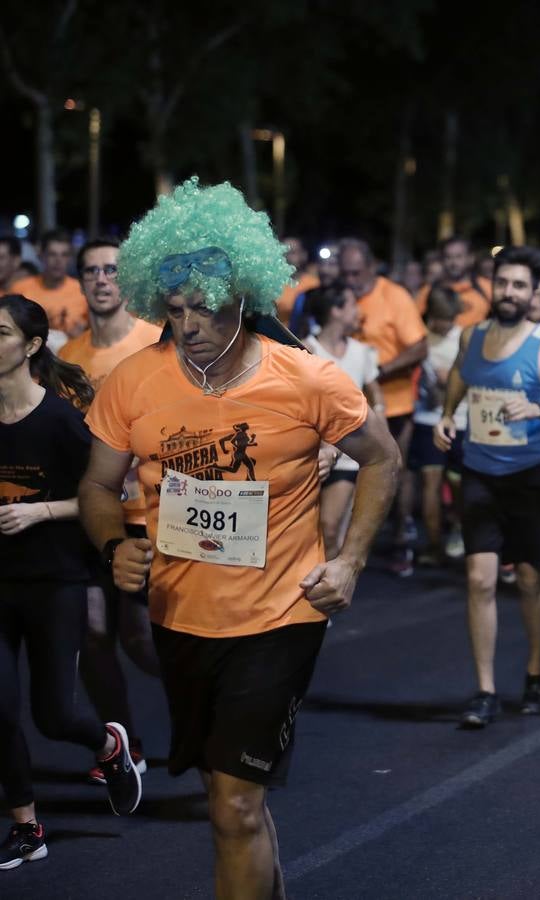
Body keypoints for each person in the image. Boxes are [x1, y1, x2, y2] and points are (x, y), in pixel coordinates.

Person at [77, 179, 400, 897]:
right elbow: (98, 487)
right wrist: (113, 547)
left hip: (280, 615)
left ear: (244, 298)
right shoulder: (133, 383)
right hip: (180, 615)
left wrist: (348, 561)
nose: (189, 324)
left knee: (233, 805)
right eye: (177, 308)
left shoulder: (310, 379)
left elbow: (383, 457)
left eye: (206, 307)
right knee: (232, 807)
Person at [0, 295, 144, 871]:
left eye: (1, 332)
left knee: (53, 714)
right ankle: (26, 826)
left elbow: (108, 494)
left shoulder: (59, 419)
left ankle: (109, 745)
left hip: (54, 579)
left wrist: (39, 512)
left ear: (31, 347)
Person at [432, 247, 540, 727]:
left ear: (533, 292)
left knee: (532, 579)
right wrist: (447, 416)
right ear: (492, 286)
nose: (511, 293)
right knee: (479, 580)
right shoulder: (471, 335)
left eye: (521, 285)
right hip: (479, 471)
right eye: (504, 284)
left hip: (532, 473)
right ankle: (484, 690)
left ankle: (535, 672)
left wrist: (539, 409)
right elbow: (459, 375)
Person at [57, 239, 162, 784]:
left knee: (140, 635)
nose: (101, 279)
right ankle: (126, 746)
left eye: (111, 270)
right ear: (80, 282)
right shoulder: (67, 358)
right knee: (93, 632)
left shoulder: (156, 343)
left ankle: (204, 701)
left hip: (151, 513)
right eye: (91, 270)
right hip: (92, 514)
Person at [340, 238, 428, 572]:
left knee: (395, 467)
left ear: (371, 266)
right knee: (352, 473)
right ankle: (351, 545)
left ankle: (403, 534)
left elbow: (419, 347)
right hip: (350, 404)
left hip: (394, 401)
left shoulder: (394, 296)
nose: (351, 279)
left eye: (357, 272)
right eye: (346, 273)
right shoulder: (342, 298)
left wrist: (380, 370)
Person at [302, 285, 386, 558]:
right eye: (352, 304)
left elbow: (373, 388)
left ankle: (331, 584)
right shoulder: (305, 349)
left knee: (330, 524)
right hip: (312, 453)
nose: (358, 311)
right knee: (309, 530)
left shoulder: (361, 352)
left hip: (349, 453)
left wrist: (380, 415)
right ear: (336, 311)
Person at [409, 285, 463, 566]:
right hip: (427, 420)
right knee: (430, 483)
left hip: (459, 421)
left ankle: (457, 528)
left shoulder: (464, 338)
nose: (447, 323)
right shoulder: (420, 338)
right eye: (443, 317)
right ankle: (433, 545)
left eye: (451, 317)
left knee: (457, 483)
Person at [11, 230, 87, 339]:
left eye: (64, 255)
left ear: (70, 258)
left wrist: (81, 337)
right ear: (41, 255)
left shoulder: (83, 291)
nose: (58, 260)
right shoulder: (19, 288)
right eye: (52, 254)